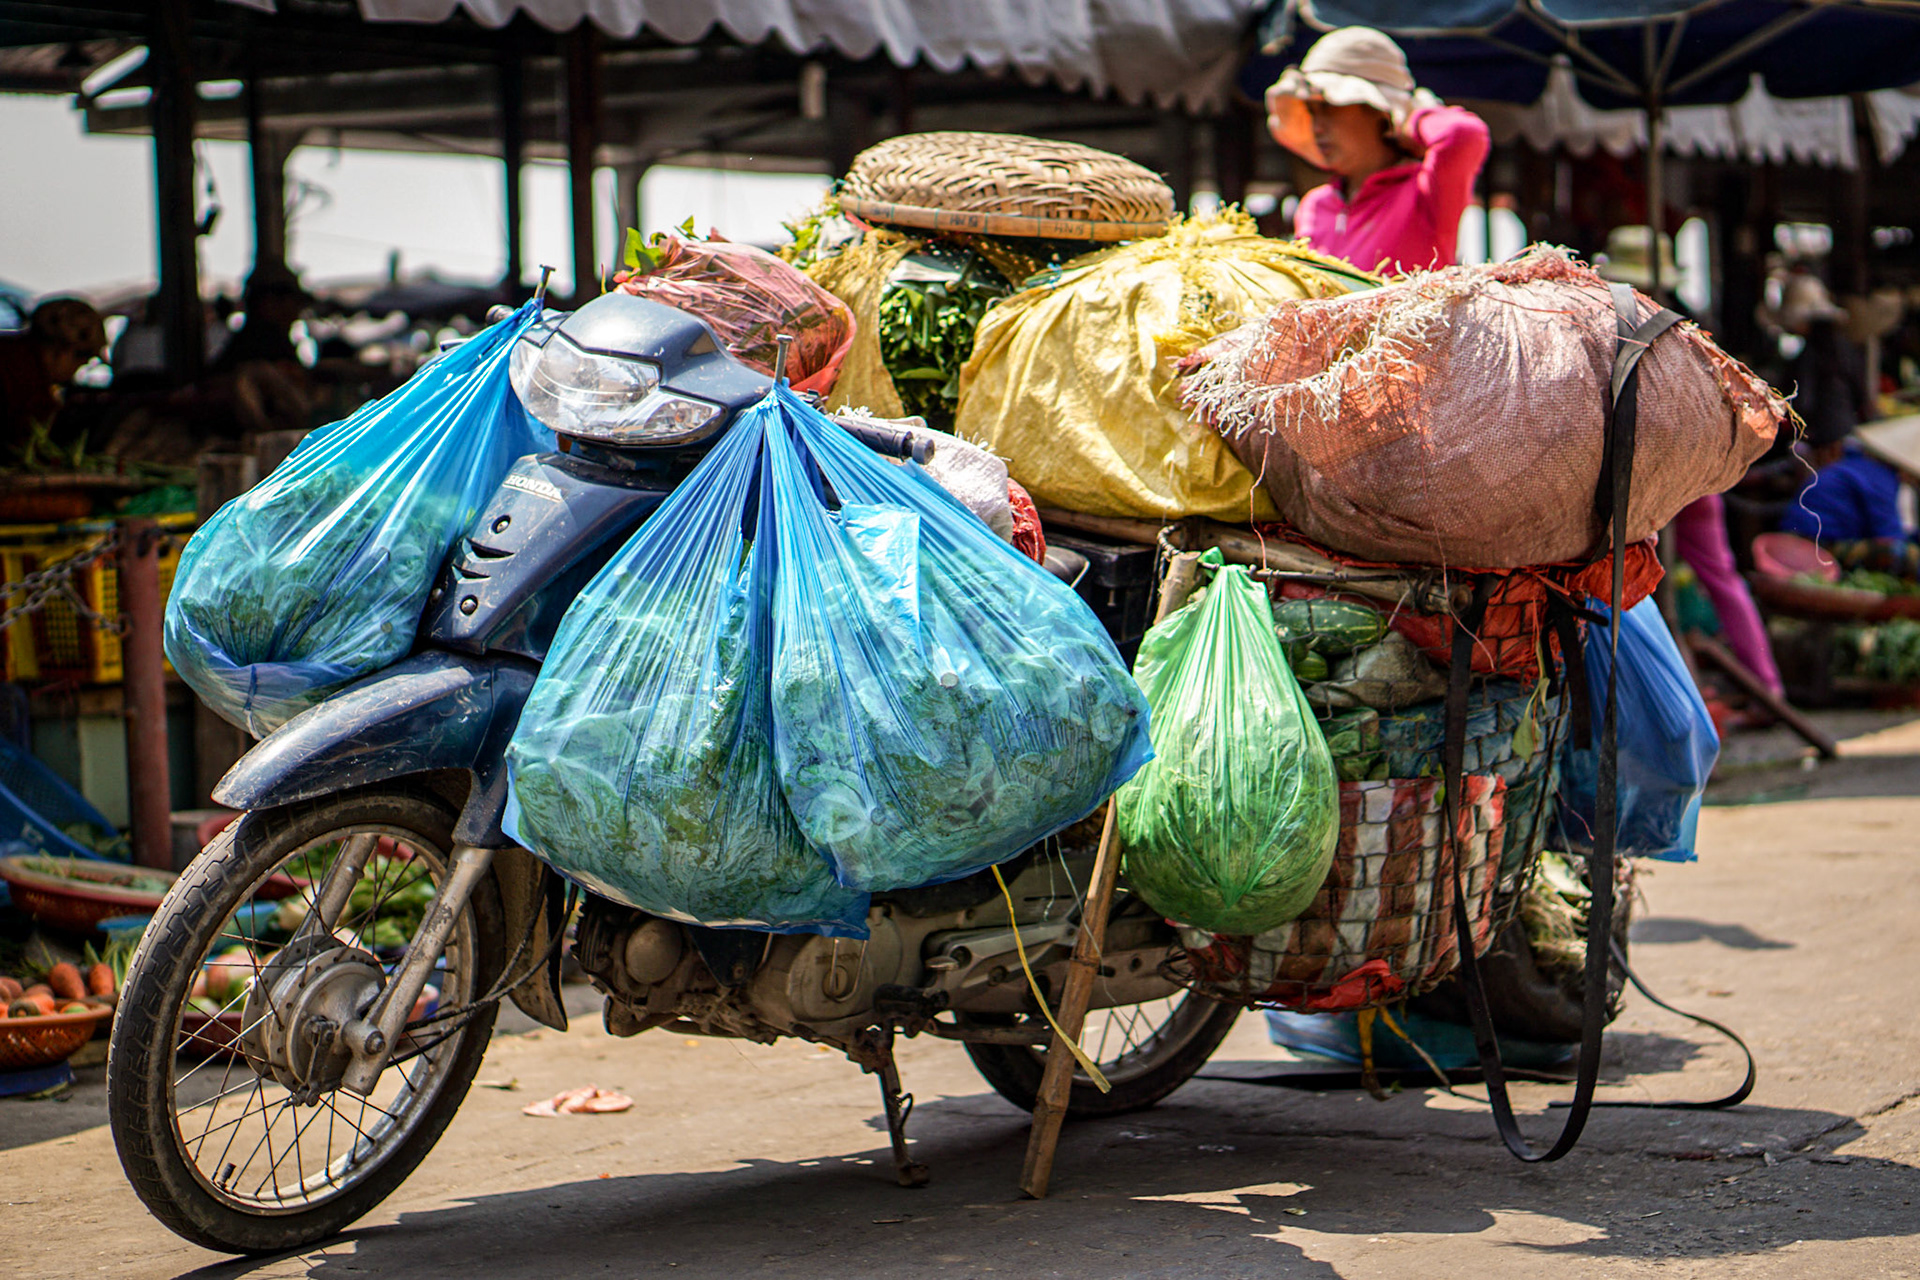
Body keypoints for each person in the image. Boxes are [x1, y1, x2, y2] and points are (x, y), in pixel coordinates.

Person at [1598, 228, 1785, 695]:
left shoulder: (1617, 329)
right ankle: (1764, 684)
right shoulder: (1690, 331)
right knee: (1718, 577)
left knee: (1622, 574)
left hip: (1651, 471)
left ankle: (1668, 695)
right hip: (1693, 468)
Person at [1264, 26, 1490, 275]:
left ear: (1377, 110)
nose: (1316, 127)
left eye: (1329, 107)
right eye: (1312, 111)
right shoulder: (1315, 205)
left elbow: (1462, 133)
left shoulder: (1424, 194)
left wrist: (1411, 117)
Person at [0, 296, 107, 463]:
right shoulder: (28, 385)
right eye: (82, 361)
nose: (76, 372)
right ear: (63, 351)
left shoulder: (11, 352)